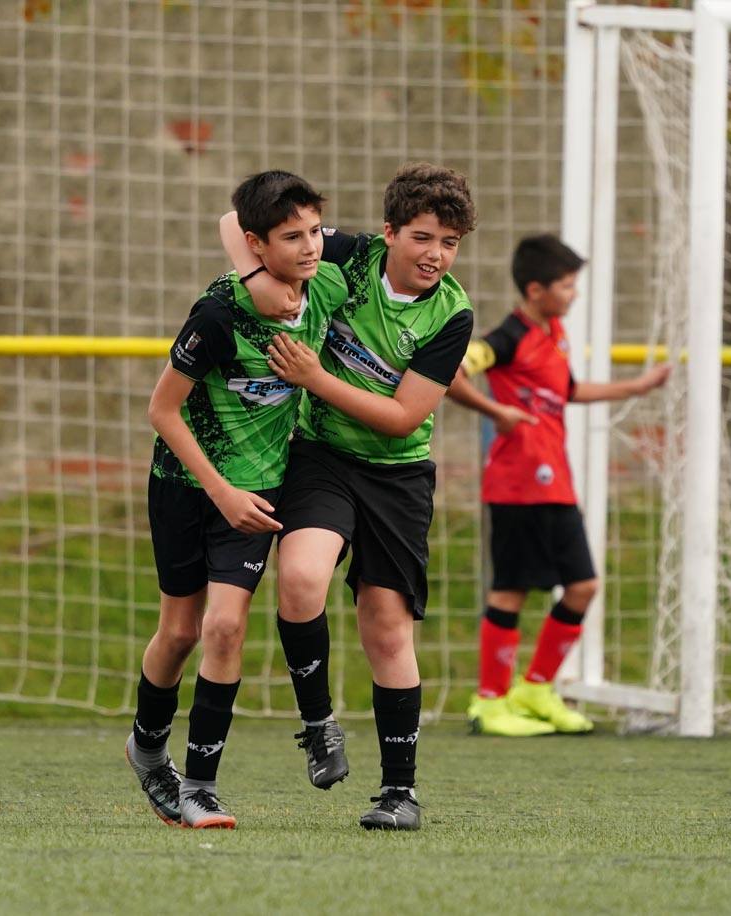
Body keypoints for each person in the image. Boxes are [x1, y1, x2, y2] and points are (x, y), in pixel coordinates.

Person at [220, 162, 476, 830]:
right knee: (300, 579)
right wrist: (255, 280)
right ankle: (319, 725)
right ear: (388, 232)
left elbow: (399, 417)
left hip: (397, 473)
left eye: (449, 243)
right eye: (423, 237)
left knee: (386, 628)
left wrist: (313, 375)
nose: (435, 255)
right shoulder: (350, 255)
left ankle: (399, 793)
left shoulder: (453, 313)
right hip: (322, 457)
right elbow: (235, 224)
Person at [126, 171, 346, 829]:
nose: (310, 247)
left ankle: (199, 786)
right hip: (186, 488)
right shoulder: (220, 314)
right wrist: (220, 492)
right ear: (258, 245)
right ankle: (145, 744)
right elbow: (161, 410)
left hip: (259, 492)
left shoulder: (327, 283)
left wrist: (239, 495)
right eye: (292, 237)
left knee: (225, 627)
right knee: (179, 631)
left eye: (314, 232)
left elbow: (239, 222)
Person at [445, 234, 670, 737]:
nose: (573, 294)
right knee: (511, 591)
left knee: (584, 585)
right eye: (565, 286)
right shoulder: (507, 337)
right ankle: (489, 701)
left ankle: (536, 688)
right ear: (535, 289)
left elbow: (566, 390)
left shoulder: (555, 332)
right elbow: (454, 373)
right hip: (517, 484)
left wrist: (635, 386)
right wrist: (496, 410)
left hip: (556, 484)